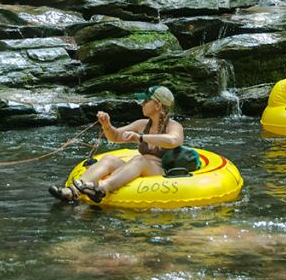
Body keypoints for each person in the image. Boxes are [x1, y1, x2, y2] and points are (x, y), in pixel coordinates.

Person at [48, 85, 184, 203]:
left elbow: (173, 140)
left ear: (157, 105)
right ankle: (71, 191)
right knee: (108, 159)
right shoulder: (141, 124)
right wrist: (107, 125)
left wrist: (141, 137)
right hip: (138, 167)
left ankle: (101, 188)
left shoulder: (174, 126)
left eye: (145, 101)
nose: (141, 104)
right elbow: (116, 136)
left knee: (139, 159)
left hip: (159, 172)